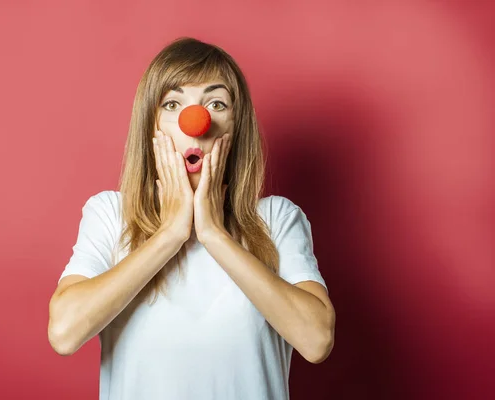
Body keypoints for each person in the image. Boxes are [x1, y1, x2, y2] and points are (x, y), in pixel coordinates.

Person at [48, 37, 336, 400]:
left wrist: (215, 234)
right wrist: (170, 233)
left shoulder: (277, 218)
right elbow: (64, 332)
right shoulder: (110, 214)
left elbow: (316, 340)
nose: (195, 122)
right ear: (152, 126)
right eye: (173, 104)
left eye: (216, 103)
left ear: (236, 128)